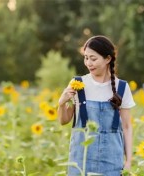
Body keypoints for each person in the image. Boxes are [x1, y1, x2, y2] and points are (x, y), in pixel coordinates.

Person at [57, 35, 135, 176]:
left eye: (93, 59)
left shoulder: (122, 87)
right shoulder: (77, 84)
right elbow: (63, 121)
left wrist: (129, 161)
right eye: (86, 58)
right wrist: (61, 103)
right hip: (81, 160)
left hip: (112, 162)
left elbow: (127, 127)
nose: (88, 63)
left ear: (108, 59)